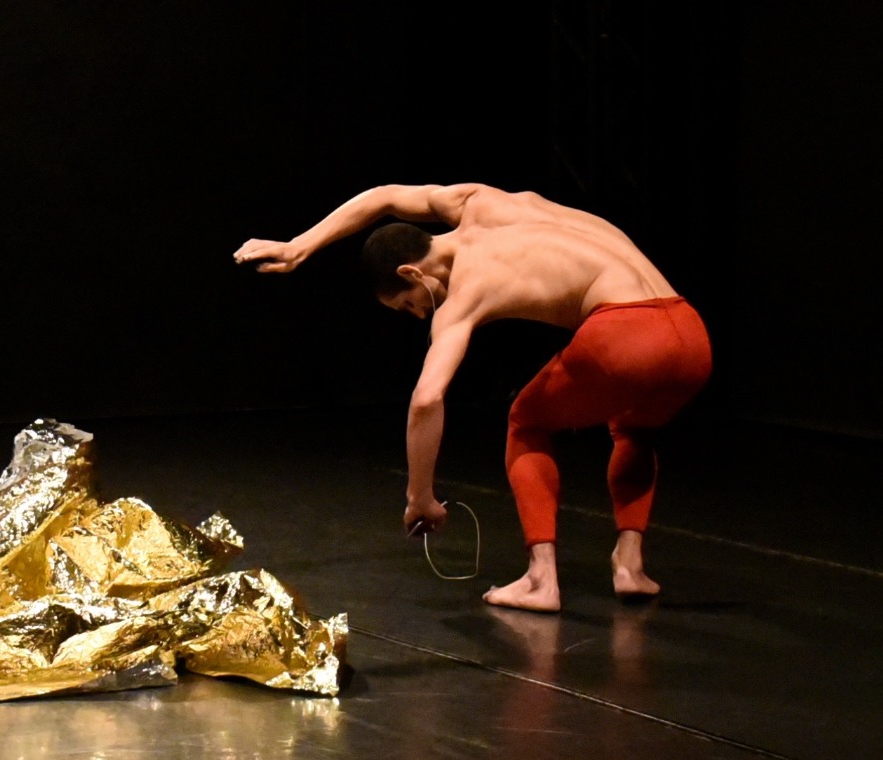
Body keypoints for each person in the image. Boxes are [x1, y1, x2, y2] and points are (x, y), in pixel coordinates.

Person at [233, 183, 711, 612]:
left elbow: (426, 399)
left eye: (408, 304)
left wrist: (419, 496)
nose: (420, 315)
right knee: (633, 427)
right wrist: (300, 246)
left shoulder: (465, 289)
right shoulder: (478, 201)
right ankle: (630, 564)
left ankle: (542, 580)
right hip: (691, 335)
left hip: (627, 336)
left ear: (412, 273)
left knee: (527, 422)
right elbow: (382, 197)